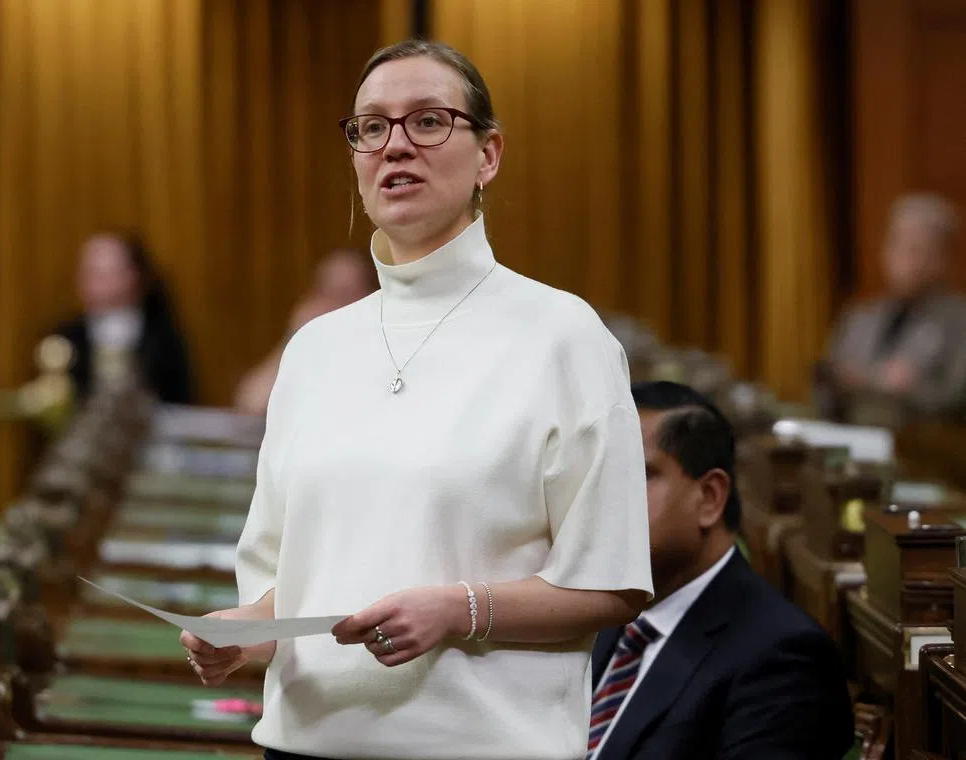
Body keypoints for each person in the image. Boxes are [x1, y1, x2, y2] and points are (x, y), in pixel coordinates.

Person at [180, 39, 653, 760]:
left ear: (488, 154)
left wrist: (460, 610)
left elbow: (611, 586)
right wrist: (241, 633)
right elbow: (291, 584)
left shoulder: (563, 336)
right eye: (371, 127)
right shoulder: (314, 350)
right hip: (305, 745)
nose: (394, 145)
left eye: (428, 121)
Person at [586, 381, 854, 760]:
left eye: (635, 473)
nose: (607, 497)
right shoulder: (604, 610)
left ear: (710, 497)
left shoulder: (782, 660)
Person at [819, 193, 966, 417]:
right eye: (899, 246)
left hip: (924, 446)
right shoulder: (859, 318)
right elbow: (825, 390)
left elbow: (956, 398)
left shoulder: (959, 321)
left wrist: (909, 390)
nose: (908, 262)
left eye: (919, 250)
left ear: (943, 259)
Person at [52, 231, 194, 404]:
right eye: (91, 273)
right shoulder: (64, 339)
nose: (98, 285)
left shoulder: (162, 339)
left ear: (134, 276)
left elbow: (179, 399)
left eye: (108, 274)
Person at [233, 249, 377, 416]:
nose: (328, 306)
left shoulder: (382, 355)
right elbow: (252, 405)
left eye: (342, 294)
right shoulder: (310, 349)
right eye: (323, 293)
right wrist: (292, 337)